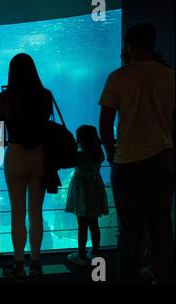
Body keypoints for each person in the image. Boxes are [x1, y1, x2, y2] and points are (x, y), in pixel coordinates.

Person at [99, 23, 175, 283]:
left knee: (130, 231)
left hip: (128, 163)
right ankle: (162, 278)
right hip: (162, 161)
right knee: (161, 228)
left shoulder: (119, 77)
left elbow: (106, 123)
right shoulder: (169, 76)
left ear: (129, 45)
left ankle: (129, 279)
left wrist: (111, 153)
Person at [0, 53, 53, 282]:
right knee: (36, 213)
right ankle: (36, 263)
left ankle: (19, 265)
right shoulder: (45, 96)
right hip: (39, 155)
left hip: (15, 154)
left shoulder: (5, 98)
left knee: (17, 214)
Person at [65, 125, 109, 266]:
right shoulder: (99, 152)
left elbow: (67, 160)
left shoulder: (79, 154)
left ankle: (81, 254)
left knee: (82, 224)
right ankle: (95, 251)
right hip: (95, 187)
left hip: (82, 190)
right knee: (94, 223)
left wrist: (70, 145)